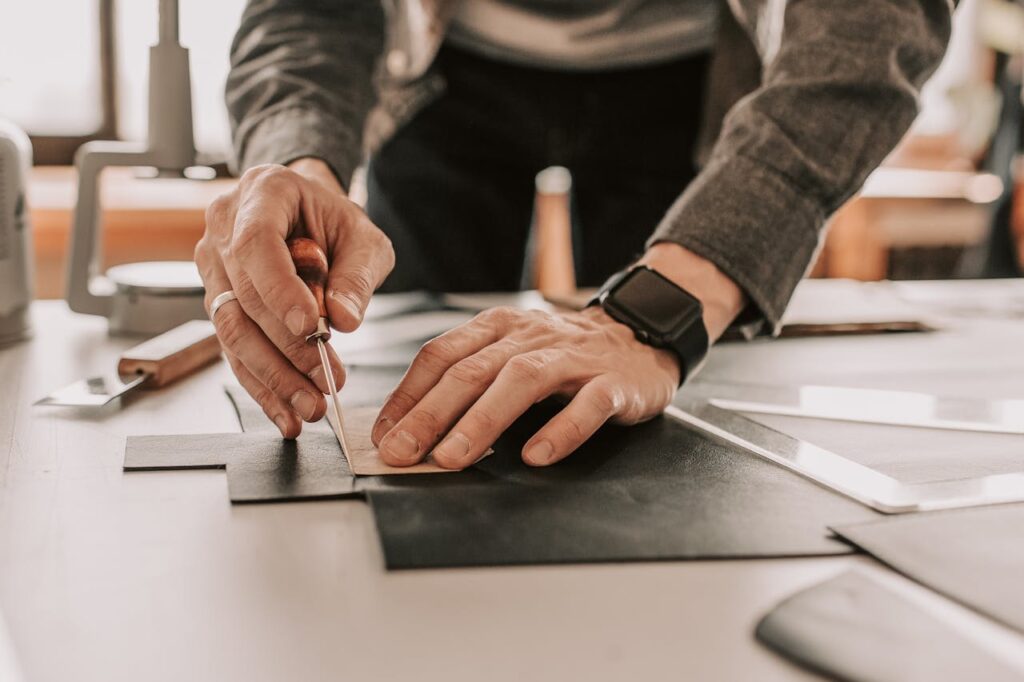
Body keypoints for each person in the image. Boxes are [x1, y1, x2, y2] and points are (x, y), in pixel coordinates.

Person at [195, 0, 952, 469]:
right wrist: (293, 162)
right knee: (430, 372)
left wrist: (657, 316)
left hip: (685, 79)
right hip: (445, 77)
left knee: (647, 431)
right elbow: (311, 13)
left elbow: (872, 23)